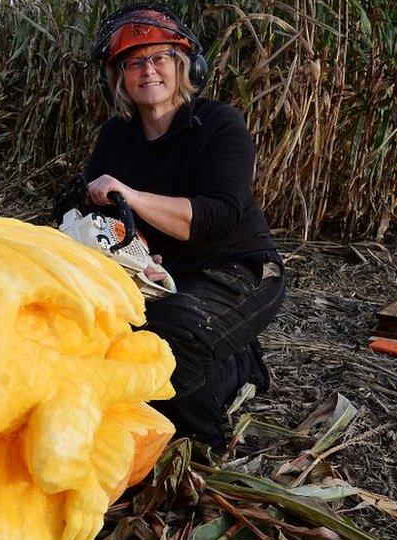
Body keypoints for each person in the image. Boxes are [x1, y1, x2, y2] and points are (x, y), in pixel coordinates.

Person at [82, 3, 285, 452]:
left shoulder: (218, 125)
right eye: (134, 62)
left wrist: (130, 196)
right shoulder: (117, 137)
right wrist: (135, 255)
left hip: (239, 268)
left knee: (170, 338)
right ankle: (232, 357)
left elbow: (218, 216)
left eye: (159, 58)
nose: (147, 70)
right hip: (166, 271)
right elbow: (107, 218)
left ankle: (200, 447)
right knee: (103, 334)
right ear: (118, 78)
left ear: (183, 66)